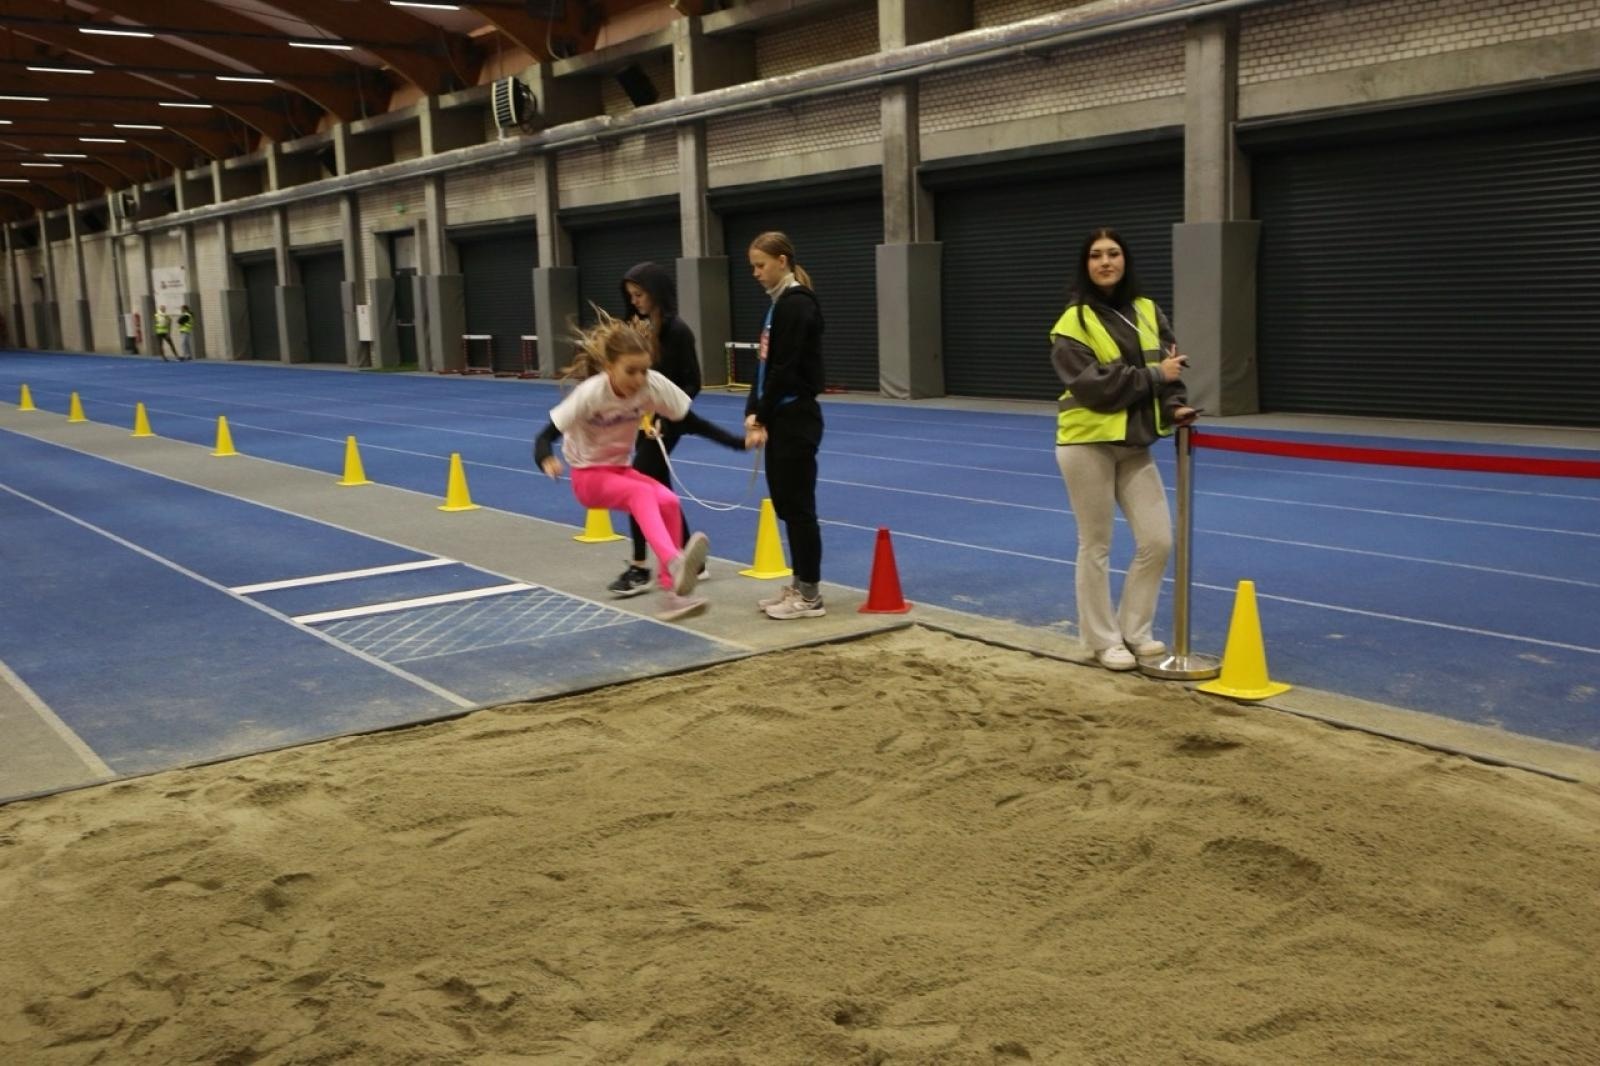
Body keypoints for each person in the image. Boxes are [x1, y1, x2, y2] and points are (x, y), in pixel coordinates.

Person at [1050, 227, 1196, 671]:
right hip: (1087, 443)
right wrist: (1156, 378)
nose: (1105, 262)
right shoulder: (1071, 322)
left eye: (1113, 253)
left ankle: (1136, 630)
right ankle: (1102, 640)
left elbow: (1173, 370)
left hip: (1134, 444)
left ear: (1126, 260)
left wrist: (1174, 408)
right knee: (1095, 545)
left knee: (1158, 540)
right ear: (1085, 264)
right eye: (1096, 255)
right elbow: (1094, 387)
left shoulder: (1149, 310)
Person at [533, 312, 714, 622]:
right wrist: (545, 459)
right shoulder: (591, 393)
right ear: (609, 368)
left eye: (645, 371)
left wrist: (737, 441)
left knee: (668, 501)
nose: (640, 379)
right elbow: (545, 435)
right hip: (588, 478)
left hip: (620, 471)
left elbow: (686, 417)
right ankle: (673, 561)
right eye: (631, 371)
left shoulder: (646, 386)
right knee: (639, 496)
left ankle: (672, 595)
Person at [607, 262, 746, 598]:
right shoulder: (634, 328)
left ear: (656, 293)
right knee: (660, 490)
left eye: (640, 295)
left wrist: (667, 417)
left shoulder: (678, 331)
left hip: (668, 421)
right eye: (631, 296)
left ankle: (641, 568)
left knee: (635, 486)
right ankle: (693, 561)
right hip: (640, 421)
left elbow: (692, 382)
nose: (636, 301)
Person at [744, 231, 826, 620]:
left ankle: (810, 595)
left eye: (761, 265)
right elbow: (761, 366)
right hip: (778, 416)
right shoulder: (775, 308)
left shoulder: (798, 306)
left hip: (796, 418)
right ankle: (798, 582)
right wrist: (753, 410)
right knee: (786, 505)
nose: (756, 273)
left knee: (799, 508)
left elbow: (785, 367)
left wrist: (762, 414)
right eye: (753, 267)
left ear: (782, 260)